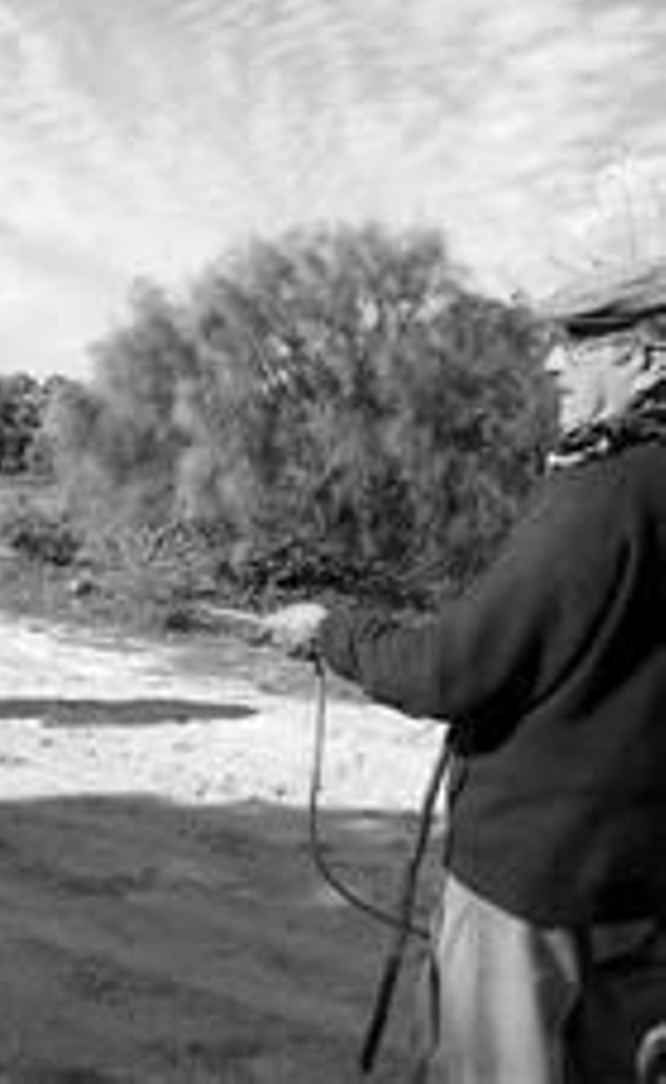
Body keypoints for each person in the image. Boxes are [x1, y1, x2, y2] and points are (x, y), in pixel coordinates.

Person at [261, 259, 666, 1082]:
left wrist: (330, 631)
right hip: (644, 888)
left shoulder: (602, 495)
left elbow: (452, 670)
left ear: (652, 360)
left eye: (582, 343)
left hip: (540, 887)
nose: (554, 363)